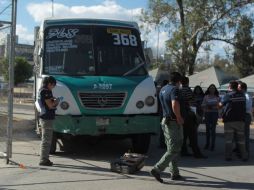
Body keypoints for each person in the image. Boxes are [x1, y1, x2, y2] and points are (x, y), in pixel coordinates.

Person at [150, 72, 184, 183]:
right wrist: (179, 117)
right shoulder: (175, 89)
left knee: (171, 148)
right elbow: (174, 104)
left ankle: (174, 173)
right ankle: (157, 169)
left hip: (165, 121)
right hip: (173, 122)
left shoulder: (163, 89)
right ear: (178, 81)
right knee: (174, 148)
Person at [220, 81, 247, 161]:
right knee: (241, 140)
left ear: (230, 87)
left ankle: (228, 156)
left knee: (229, 139)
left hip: (229, 120)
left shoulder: (228, 95)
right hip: (240, 120)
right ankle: (244, 156)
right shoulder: (242, 95)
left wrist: (217, 105)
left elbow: (220, 105)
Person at [180, 77, 206, 158]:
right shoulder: (188, 91)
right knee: (192, 135)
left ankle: (183, 151)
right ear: (187, 82)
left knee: (184, 135)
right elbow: (191, 104)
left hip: (182, 114)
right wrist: (197, 115)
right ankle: (197, 153)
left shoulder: (179, 90)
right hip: (189, 115)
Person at [38, 76, 59, 166]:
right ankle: (44, 160)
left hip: (45, 117)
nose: (53, 87)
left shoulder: (42, 90)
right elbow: (50, 105)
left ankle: (44, 158)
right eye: (53, 85)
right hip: (47, 118)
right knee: (46, 140)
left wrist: (52, 100)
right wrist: (57, 101)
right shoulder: (46, 91)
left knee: (46, 139)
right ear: (49, 83)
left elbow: (46, 102)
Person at [202, 84, 220, 151]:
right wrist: (207, 105)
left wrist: (214, 107)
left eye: (213, 88)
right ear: (208, 89)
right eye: (211, 88)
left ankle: (213, 144)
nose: (212, 89)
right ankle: (207, 144)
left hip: (214, 113)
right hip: (207, 113)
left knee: (213, 129)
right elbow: (202, 105)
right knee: (207, 130)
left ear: (215, 89)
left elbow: (220, 106)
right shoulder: (206, 97)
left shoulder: (217, 97)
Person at [238, 82, 252, 158]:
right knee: (240, 135)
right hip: (241, 116)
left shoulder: (247, 96)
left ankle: (246, 152)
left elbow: (247, 107)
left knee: (245, 135)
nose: (238, 88)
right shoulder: (242, 95)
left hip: (245, 116)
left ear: (243, 88)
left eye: (239, 87)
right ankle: (241, 151)